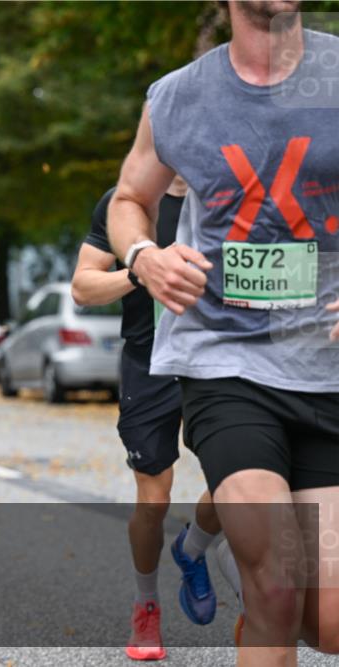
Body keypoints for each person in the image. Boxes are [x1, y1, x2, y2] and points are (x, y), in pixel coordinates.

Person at [108, 2, 339, 664]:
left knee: (328, 621)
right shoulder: (180, 96)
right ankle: (264, 620)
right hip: (225, 361)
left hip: (327, 364)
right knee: (275, 587)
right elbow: (129, 199)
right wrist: (143, 258)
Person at [73, 177, 222, 661]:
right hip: (149, 361)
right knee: (153, 502)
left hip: (218, 360)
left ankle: (194, 546)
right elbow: (83, 286)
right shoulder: (127, 203)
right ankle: (146, 604)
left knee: (239, 480)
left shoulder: (229, 190)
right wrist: (141, 270)